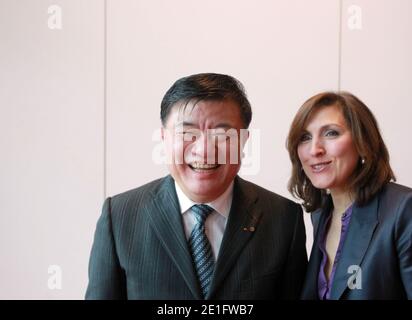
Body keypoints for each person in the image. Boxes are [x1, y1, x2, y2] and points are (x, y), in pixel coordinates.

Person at [86, 73, 307, 299]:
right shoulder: (121, 217)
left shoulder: (283, 219)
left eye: (221, 134)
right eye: (187, 133)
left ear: (243, 141)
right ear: (164, 138)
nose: (204, 150)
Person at [286, 91, 412, 300]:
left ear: (363, 143)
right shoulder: (320, 215)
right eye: (305, 137)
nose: (314, 149)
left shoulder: (403, 209)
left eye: (331, 133)